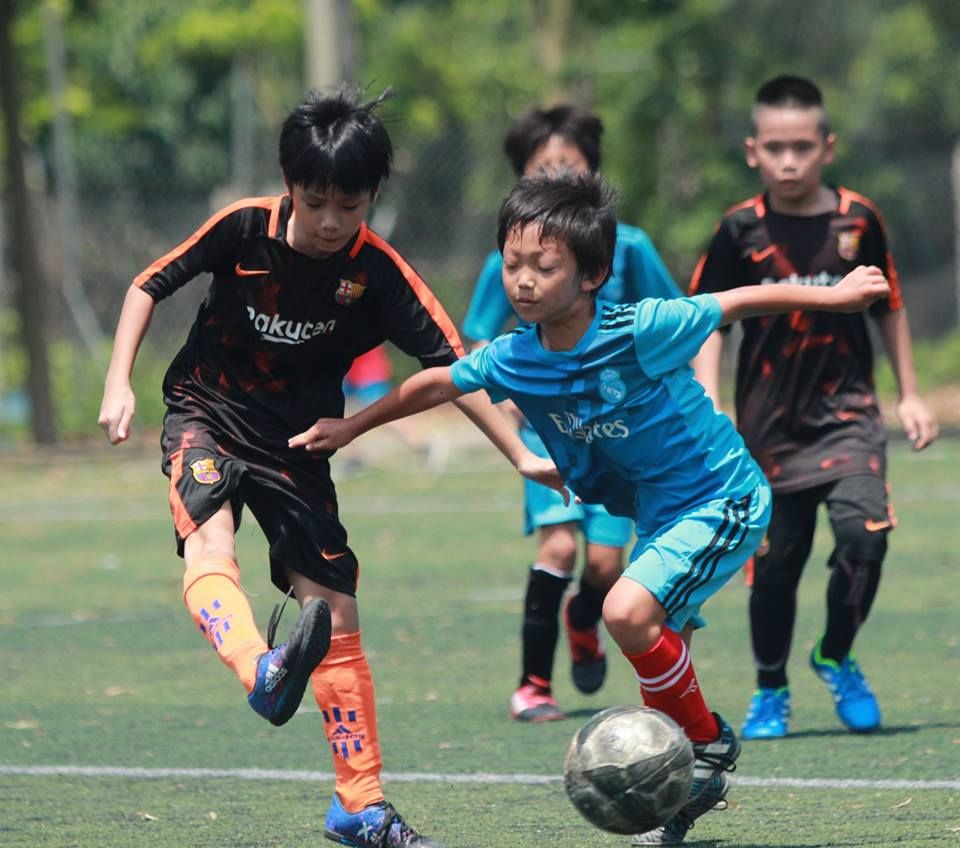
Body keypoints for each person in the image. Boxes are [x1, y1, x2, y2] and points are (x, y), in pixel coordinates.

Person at [288, 171, 893, 844]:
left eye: (542, 267)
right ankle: (681, 792)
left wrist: (835, 297)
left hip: (721, 497)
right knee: (658, 664)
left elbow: (735, 301)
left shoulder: (639, 329)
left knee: (625, 613)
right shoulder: (516, 356)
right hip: (663, 517)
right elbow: (435, 380)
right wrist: (350, 426)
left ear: (592, 274)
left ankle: (710, 744)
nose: (522, 280)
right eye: (512, 263)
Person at [96, 87, 562, 848]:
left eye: (350, 206)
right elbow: (147, 284)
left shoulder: (378, 272)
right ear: (290, 186)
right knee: (212, 544)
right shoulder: (243, 228)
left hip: (300, 442)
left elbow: (457, 366)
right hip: (205, 413)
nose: (331, 222)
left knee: (339, 612)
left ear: (374, 198)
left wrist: (517, 452)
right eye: (316, 203)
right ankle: (263, 674)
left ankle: (361, 804)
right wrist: (119, 383)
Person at [689, 75, 939, 742]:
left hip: (850, 416)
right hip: (766, 431)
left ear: (828, 147)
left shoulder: (859, 220)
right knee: (775, 566)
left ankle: (834, 652)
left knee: (864, 537)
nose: (789, 160)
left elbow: (889, 304)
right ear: (753, 152)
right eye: (776, 147)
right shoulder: (739, 231)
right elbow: (705, 322)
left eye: (802, 146)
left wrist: (909, 393)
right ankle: (771, 688)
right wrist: (710, 406)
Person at [462, 104, 682, 722]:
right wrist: (508, 403)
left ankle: (584, 619)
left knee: (608, 566)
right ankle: (533, 684)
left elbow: (675, 320)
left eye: (569, 163)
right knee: (558, 548)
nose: (557, 173)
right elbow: (477, 342)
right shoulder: (504, 259)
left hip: (623, 440)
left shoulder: (628, 248)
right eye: (543, 167)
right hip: (553, 439)